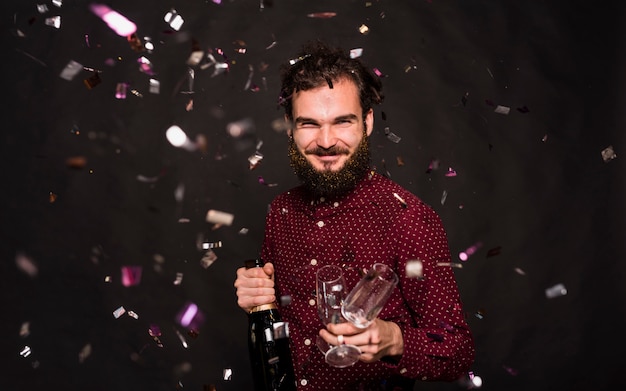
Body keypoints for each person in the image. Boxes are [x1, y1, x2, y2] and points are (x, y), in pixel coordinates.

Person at [234, 39, 475, 390]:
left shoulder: (409, 219)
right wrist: (256, 298)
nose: (327, 141)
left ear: (368, 122)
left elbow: (459, 352)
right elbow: (278, 312)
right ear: (290, 126)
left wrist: (394, 340)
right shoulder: (281, 210)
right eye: (309, 124)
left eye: (343, 122)